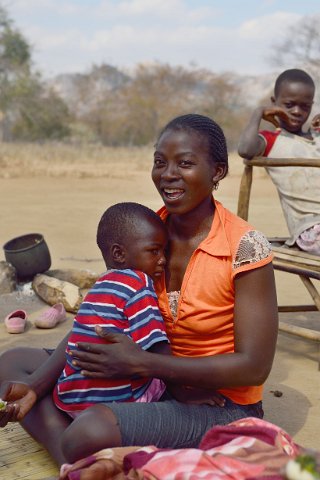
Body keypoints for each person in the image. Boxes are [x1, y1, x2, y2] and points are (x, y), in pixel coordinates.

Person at [0, 113, 278, 469]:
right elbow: (100, 316)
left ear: (218, 171)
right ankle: (77, 460)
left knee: (91, 429)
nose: (168, 174)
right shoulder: (145, 234)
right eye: (160, 162)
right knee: (13, 363)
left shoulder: (244, 246)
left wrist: (144, 363)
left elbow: (254, 367)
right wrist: (36, 386)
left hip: (215, 402)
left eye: (186, 163)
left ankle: (80, 451)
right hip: (148, 377)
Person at [54, 201, 170, 415]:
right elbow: (158, 349)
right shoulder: (139, 283)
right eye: (154, 251)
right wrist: (187, 392)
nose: (163, 260)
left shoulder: (101, 284)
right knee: (164, 381)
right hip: (117, 407)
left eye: (164, 251)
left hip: (69, 402)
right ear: (118, 254)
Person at [238, 68, 320, 255]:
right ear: (274, 103)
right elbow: (245, 149)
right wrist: (258, 112)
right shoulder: (272, 140)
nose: (297, 111)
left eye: (305, 106)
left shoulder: (316, 137)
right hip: (311, 229)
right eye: (289, 104)